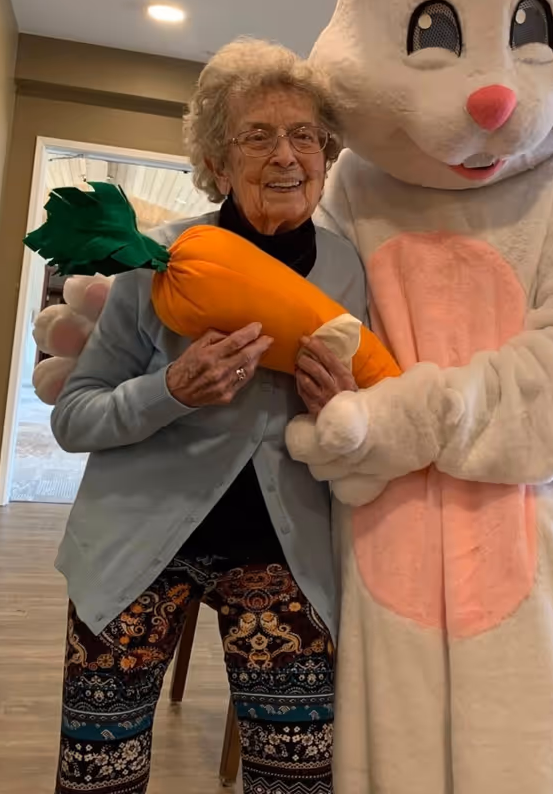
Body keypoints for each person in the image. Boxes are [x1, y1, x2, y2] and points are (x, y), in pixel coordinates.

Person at [51, 39, 360, 794]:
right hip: (135, 545)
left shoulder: (349, 269)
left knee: (296, 780)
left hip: (285, 555)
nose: (286, 155)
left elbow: (366, 421)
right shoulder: (156, 259)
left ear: (327, 158)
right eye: (258, 136)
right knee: (97, 778)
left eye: (306, 136)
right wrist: (171, 391)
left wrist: (347, 407)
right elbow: (74, 417)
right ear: (217, 164)